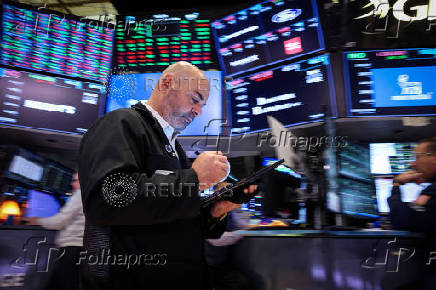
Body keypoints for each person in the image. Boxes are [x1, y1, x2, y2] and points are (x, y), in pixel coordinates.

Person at [78, 61, 257, 290]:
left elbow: (173, 217)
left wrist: (217, 209)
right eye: (195, 99)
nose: (198, 111)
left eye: (202, 105)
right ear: (166, 83)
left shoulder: (174, 147)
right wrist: (195, 179)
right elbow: (107, 198)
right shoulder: (120, 123)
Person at [22, 172, 84, 290]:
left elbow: (60, 221)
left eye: (75, 181)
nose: (72, 184)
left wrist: (38, 221)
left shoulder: (79, 195)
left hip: (71, 249)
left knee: (65, 283)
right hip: (81, 249)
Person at [388, 137, 436, 233]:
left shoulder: (433, 191)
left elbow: (401, 219)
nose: (412, 164)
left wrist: (397, 184)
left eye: (417, 157)